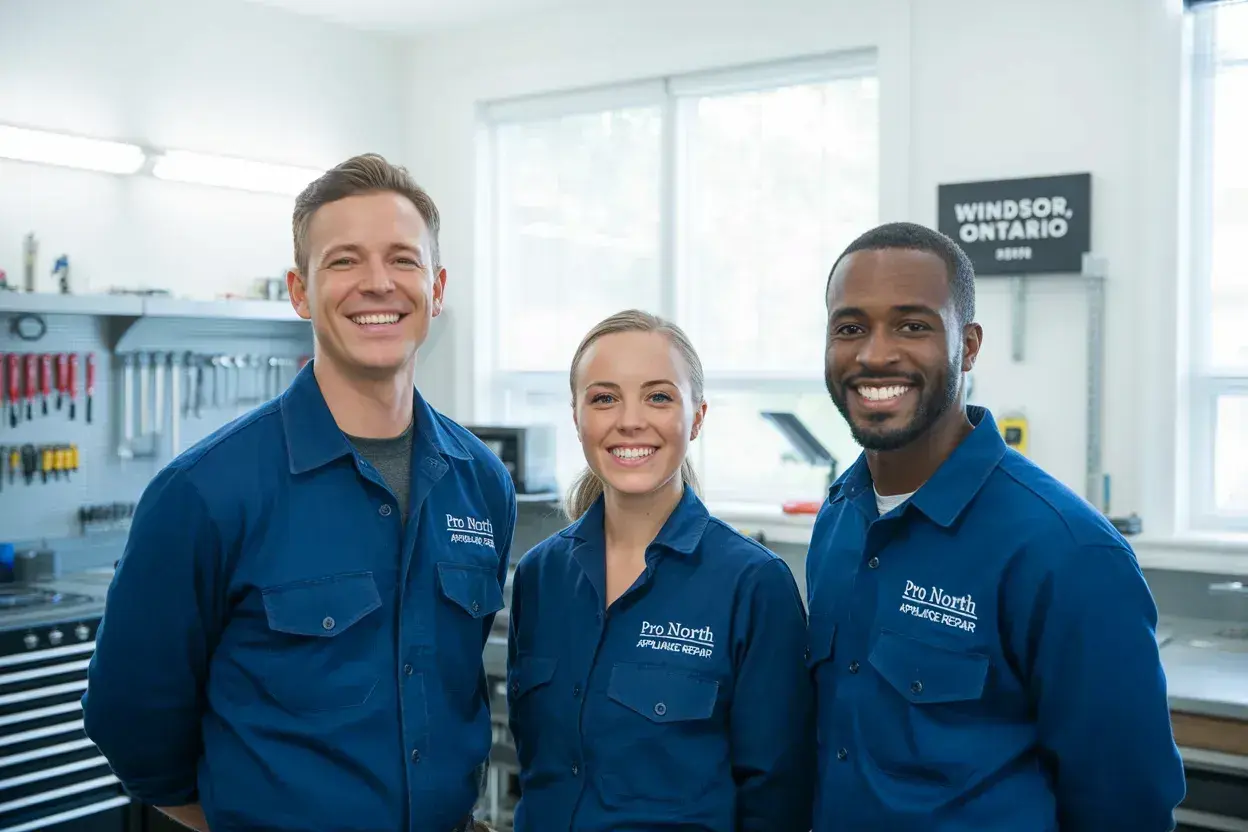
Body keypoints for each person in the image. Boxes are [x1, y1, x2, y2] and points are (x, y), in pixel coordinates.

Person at [82, 154, 515, 832]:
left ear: (436, 288)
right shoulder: (203, 493)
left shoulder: (481, 482)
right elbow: (130, 718)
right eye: (344, 261)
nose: (378, 283)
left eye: (402, 259)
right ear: (300, 292)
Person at [805, 220, 1186, 830]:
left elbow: (1126, 808)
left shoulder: (1068, 553)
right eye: (850, 328)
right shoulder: (838, 516)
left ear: (970, 345)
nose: (874, 354)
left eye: (912, 326)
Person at [505, 309, 815, 832]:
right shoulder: (540, 576)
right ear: (577, 417)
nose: (630, 420)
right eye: (604, 398)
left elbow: (777, 800)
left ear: (697, 417)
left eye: (658, 397)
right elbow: (536, 764)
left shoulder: (752, 585)